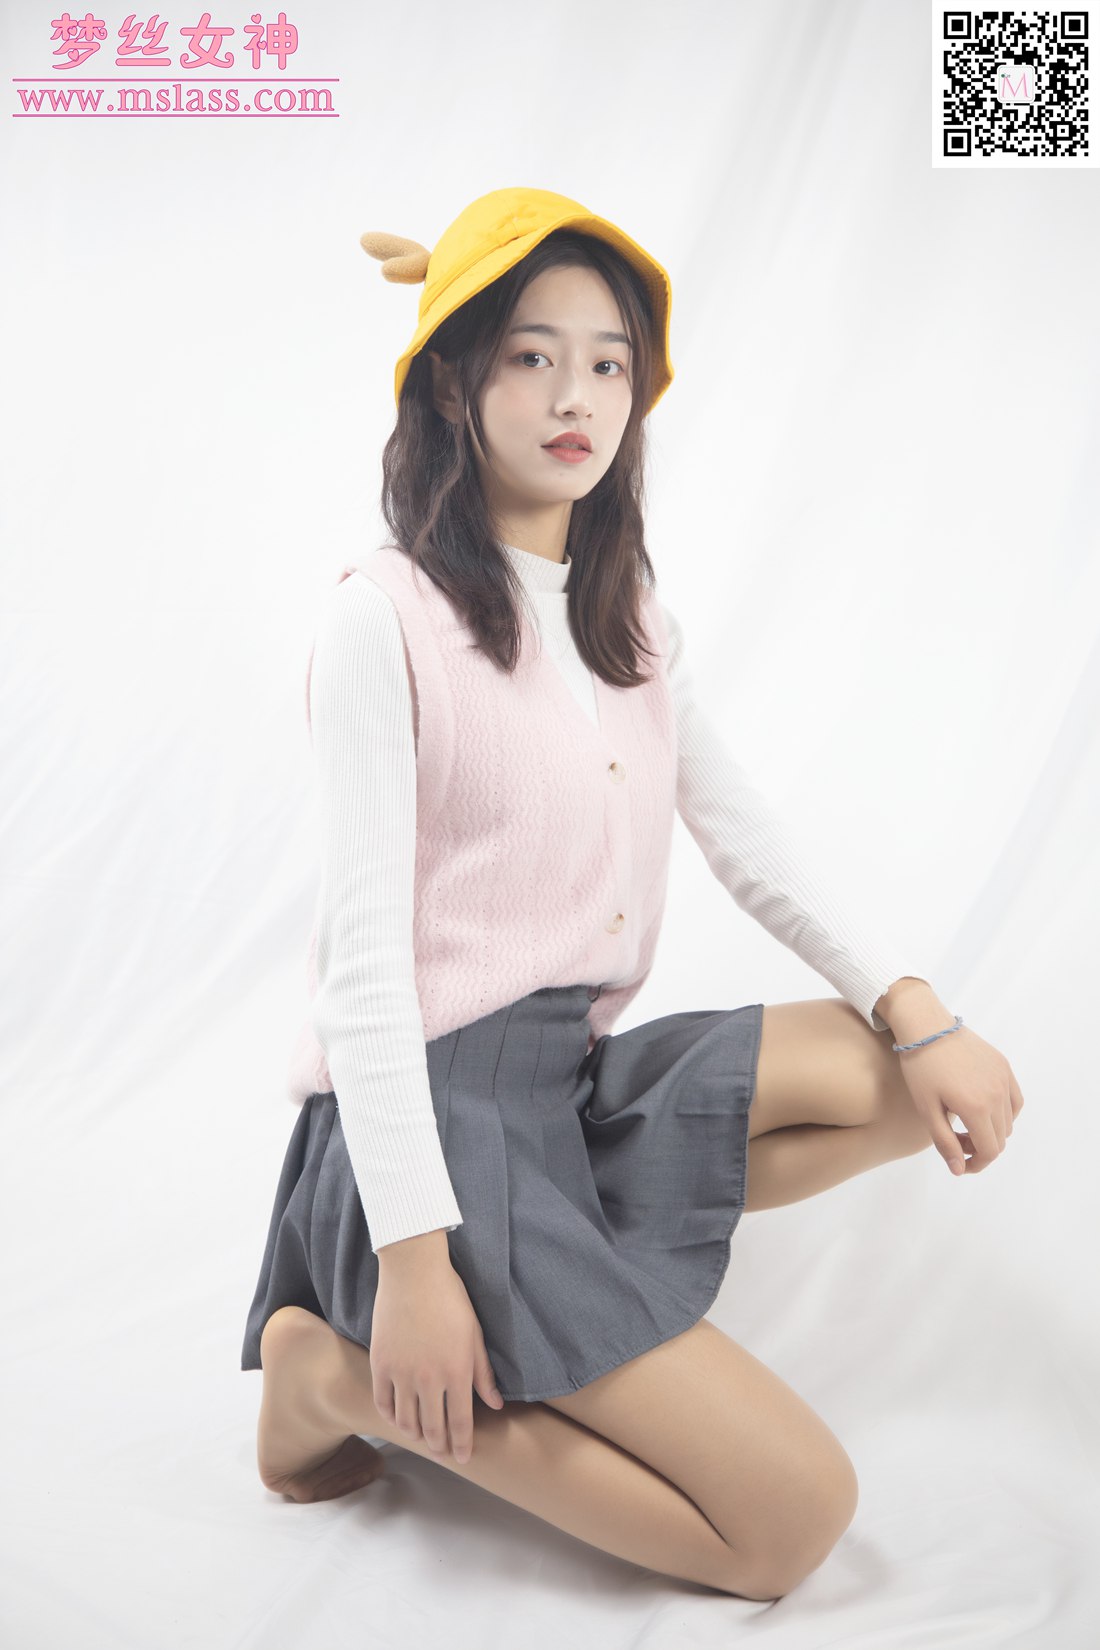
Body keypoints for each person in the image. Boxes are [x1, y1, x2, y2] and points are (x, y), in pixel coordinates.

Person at [240, 186, 1025, 1599]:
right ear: (456, 379)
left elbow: (747, 839)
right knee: (791, 1520)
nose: (577, 397)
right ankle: (332, 1375)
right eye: (532, 355)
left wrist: (921, 1008)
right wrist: (415, 1265)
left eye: (609, 363)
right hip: (426, 1116)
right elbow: (360, 972)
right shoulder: (383, 617)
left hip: (563, 1084)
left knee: (895, 1075)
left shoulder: (629, 624)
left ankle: (560, 1254)